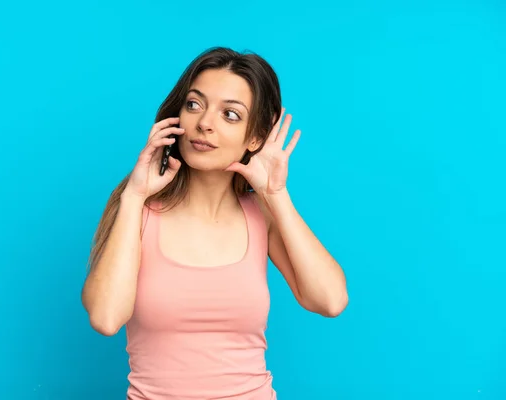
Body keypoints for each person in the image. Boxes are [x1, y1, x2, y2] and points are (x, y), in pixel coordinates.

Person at [81, 46, 348, 400]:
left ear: (255, 138)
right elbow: (105, 318)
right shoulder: (138, 212)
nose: (204, 122)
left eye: (231, 115)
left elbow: (330, 301)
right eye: (194, 104)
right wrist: (133, 197)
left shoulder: (263, 216)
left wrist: (276, 196)